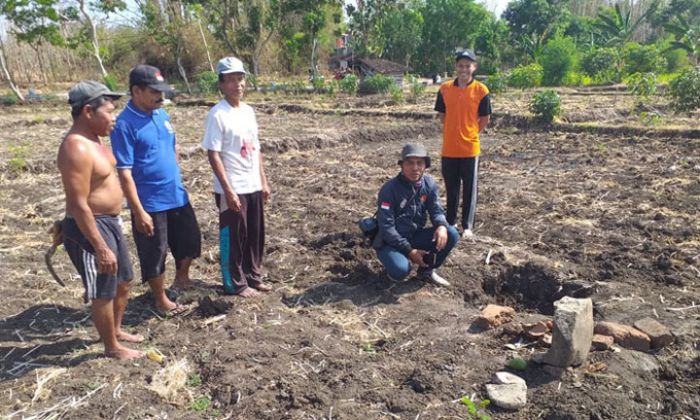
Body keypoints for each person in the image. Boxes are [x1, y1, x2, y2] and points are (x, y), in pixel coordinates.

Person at [58, 80, 144, 360]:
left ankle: (115, 330)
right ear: (87, 111)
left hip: (110, 222)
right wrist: (100, 246)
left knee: (123, 280)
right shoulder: (77, 148)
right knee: (103, 289)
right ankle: (111, 347)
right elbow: (79, 203)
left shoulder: (96, 142)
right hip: (91, 226)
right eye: (109, 110)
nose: (114, 117)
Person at [111, 65, 201, 314]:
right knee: (155, 253)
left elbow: (172, 146)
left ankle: (182, 278)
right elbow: (124, 172)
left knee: (190, 241)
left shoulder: (161, 115)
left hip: (175, 193)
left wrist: (177, 178)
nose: (161, 96)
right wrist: (138, 210)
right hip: (150, 201)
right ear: (136, 91)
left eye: (162, 91)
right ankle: (160, 299)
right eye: (154, 91)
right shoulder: (124, 125)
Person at [201, 57, 271, 298]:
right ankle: (235, 283)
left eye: (239, 78)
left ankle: (253, 276)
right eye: (229, 80)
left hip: (252, 184)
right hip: (232, 186)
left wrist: (263, 180)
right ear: (220, 84)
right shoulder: (217, 114)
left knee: (255, 234)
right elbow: (213, 154)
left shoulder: (248, 111)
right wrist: (227, 189)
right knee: (234, 235)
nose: (236, 84)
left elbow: (256, 148)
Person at [373, 144, 460, 287]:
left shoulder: (429, 184)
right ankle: (392, 270)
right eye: (410, 163)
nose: (415, 168)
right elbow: (386, 227)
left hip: (414, 235)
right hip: (390, 242)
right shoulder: (389, 189)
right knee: (400, 270)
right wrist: (409, 251)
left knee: (451, 233)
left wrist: (441, 225)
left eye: (419, 163)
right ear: (402, 165)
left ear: (425, 165)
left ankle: (426, 272)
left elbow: (436, 210)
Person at [434, 49, 492, 238]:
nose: (464, 69)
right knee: (451, 188)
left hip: (470, 149)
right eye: (461, 66)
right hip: (449, 149)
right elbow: (442, 115)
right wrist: (453, 130)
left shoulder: (481, 91)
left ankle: (467, 226)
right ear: (456, 67)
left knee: (469, 189)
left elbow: (485, 118)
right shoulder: (445, 89)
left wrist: (470, 132)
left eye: (468, 66)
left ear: (474, 68)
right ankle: (450, 221)